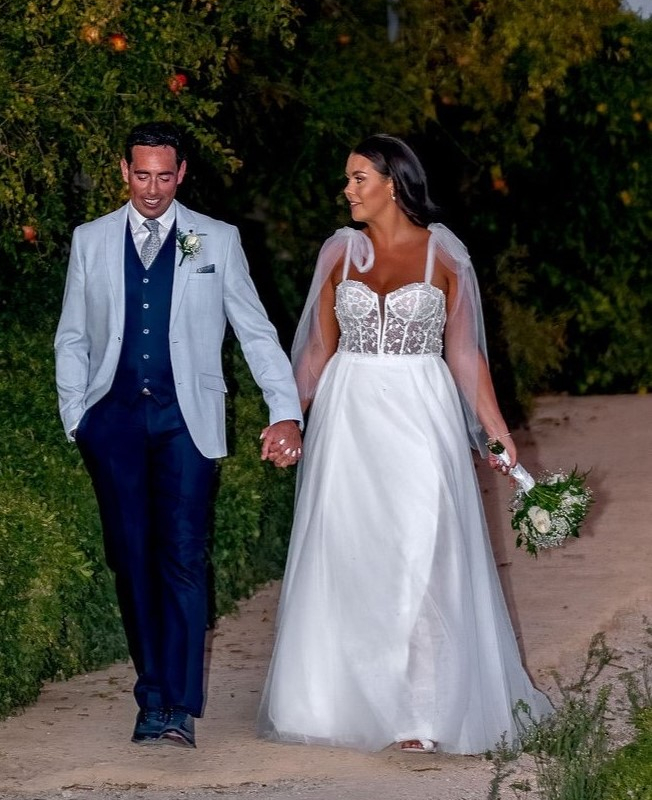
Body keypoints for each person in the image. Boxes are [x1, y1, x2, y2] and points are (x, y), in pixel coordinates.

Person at [257, 134, 552, 755]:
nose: (348, 189)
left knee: (423, 550)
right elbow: (316, 348)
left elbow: (466, 355)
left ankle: (422, 710)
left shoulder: (445, 255)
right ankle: (346, 702)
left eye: (358, 178)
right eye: (348, 178)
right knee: (353, 552)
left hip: (422, 413)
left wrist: (497, 434)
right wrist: (288, 416)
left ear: (392, 182)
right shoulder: (339, 251)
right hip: (349, 416)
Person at [54, 122, 302, 749]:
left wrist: (285, 408)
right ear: (123, 171)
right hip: (111, 420)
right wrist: (75, 416)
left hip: (187, 420)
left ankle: (176, 705)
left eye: (165, 177)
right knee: (131, 559)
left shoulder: (215, 239)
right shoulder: (91, 240)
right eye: (142, 176)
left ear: (182, 173)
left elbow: (254, 330)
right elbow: (74, 335)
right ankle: (152, 689)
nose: (153, 189)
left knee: (184, 557)